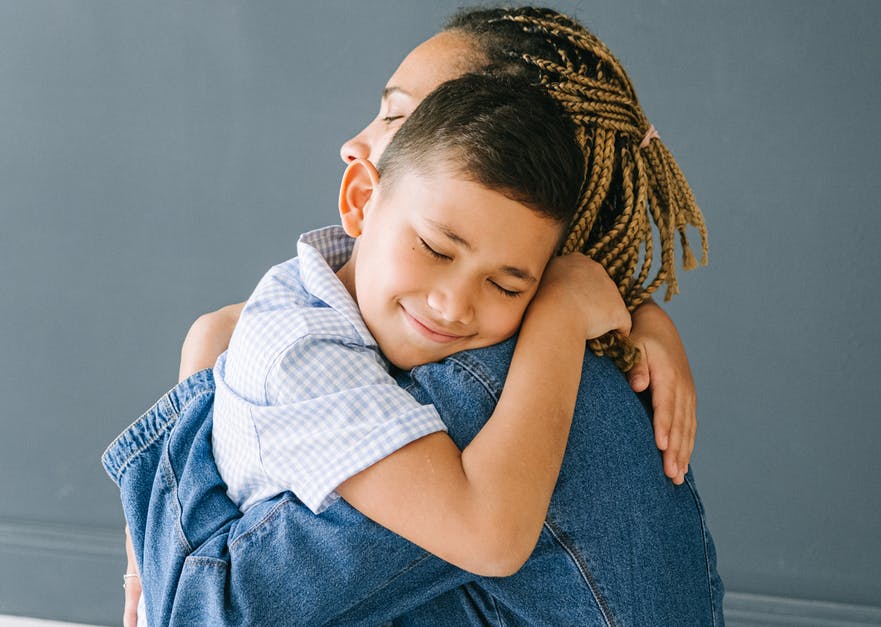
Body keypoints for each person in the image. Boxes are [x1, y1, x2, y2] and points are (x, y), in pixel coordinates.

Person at [106, 6, 722, 626]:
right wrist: (638, 315)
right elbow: (230, 330)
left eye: (403, 116)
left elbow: (202, 613)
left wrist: (163, 505)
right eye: (435, 249)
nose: (353, 141)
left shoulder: (489, 388)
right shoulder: (470, 322)